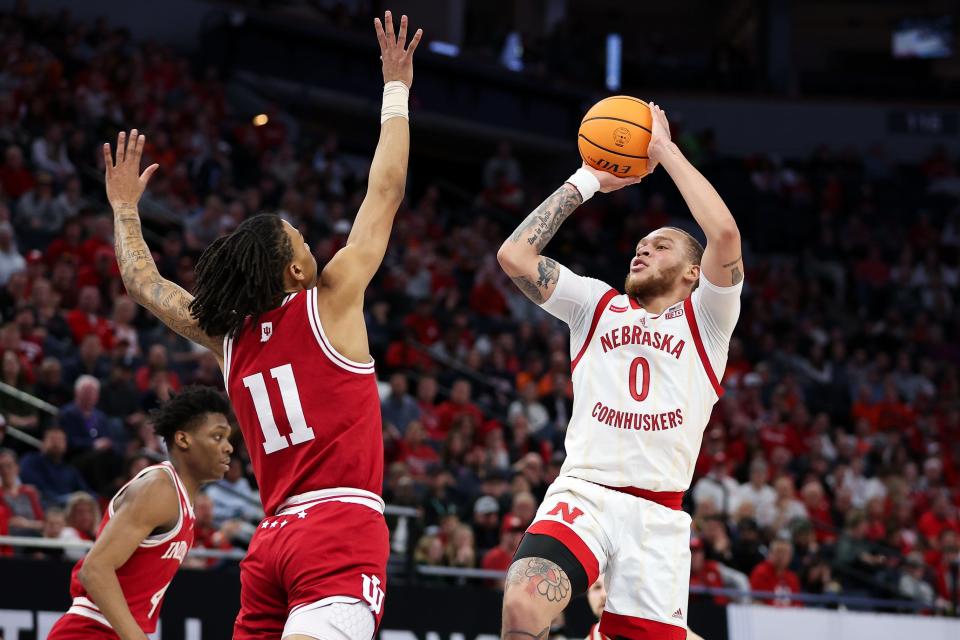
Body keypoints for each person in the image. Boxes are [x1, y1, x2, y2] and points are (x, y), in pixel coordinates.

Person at [103, 11, 421, 640]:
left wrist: (124, 211)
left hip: (271, 541)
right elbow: (385, 192)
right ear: (295, 266)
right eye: (302, 238)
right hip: (339, 527)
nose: (311, 242)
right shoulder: (331, 298)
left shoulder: (227, 334)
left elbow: (145, 285)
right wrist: (396, 90)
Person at [497, 102, 743, 639]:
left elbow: (723, 233)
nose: (643, 250)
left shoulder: (708, 320)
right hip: (585, 492)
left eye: (660, 246)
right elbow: (515, 256)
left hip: (657, 519)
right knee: (522, 606)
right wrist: (588, 179)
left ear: (693, 273)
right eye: (639, 245)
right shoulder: (595, 305)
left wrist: (663, 151)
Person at [47, 386, 233, 639]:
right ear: (183, 439)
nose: (228, 447)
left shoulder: (182, 499)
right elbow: (94, 569)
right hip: (91, 630)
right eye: (217, 436)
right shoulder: (160, 488)